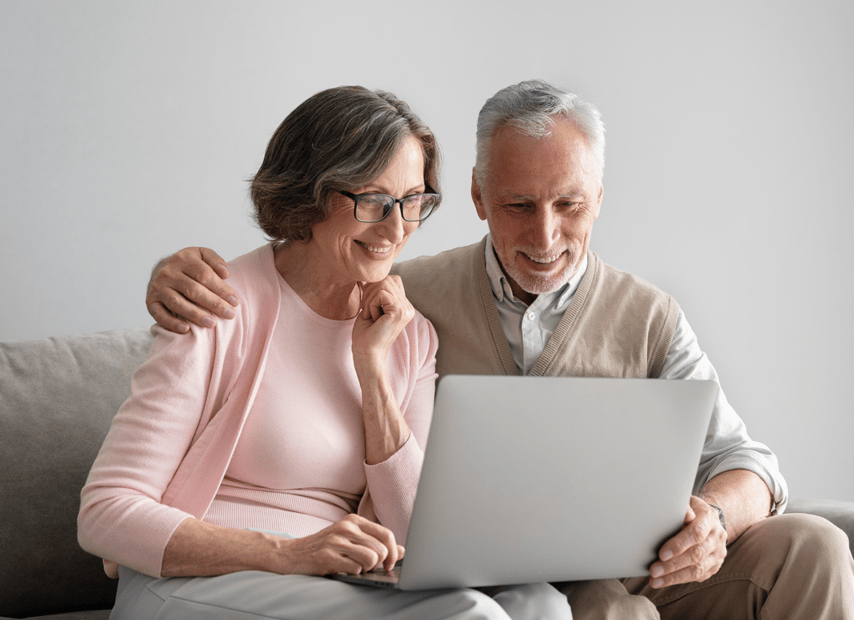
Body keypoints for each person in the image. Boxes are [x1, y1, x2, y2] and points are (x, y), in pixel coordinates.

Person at [145, 80, 854, 619]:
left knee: (812, 546)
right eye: (519, 206)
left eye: (569, 205)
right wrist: (179, 276)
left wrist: (715, 518)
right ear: (479, 197)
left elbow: (746, 460)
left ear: (600, 198)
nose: (545, 236)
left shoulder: (651, 316)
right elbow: (300, 268)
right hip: (498, 578)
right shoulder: (399, 292)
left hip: (642, 561)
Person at [79, 86, 572, 620]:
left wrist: (374, 372)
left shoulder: (408, 334)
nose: (395, 228)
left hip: (332, 579)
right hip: (195, 581)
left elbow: (415, 536)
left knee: (539, 604)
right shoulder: (216, 303)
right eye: (372, 201)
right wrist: (291, 554)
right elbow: (106, 513)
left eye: (412, 201)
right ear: (308, 195)